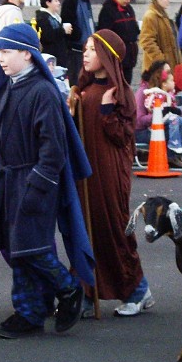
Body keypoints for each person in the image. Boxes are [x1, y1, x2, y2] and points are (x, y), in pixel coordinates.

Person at [0, 23, 94, 339]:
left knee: (32, 248)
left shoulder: (43, 92)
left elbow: (53, 150)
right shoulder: (7, 89)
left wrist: (37, 186)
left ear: (28, 55)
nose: (0, 59)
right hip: (9, 179)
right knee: (17, 250)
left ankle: (67, 289)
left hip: (32, 180)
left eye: (6, 51)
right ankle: (31, 310)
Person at [71, 30, 152, 318]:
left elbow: (122, 137)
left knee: (113, 229)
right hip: (85, 172)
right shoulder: (82, 92)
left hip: (110, 172)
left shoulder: (120, 94)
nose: (86, 54)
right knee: (84, 230)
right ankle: (83, 293)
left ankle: (137, 290)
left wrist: (107, 110)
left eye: (92, 49)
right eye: (85, 49)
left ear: (107, 55)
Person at [135, 60, 182, 168]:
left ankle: (180, 151)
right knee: (171, 129)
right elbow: (139, 121)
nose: (169, 74)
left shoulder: (164, 92)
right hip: (141, 131)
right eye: (167, 72)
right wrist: (159, 114)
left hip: (157, 126)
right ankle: (171, 156)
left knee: (179, 124)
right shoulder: (143, 92)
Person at [98, 0, 140, 83]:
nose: (128, 1)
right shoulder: (108, 10)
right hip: (117, 56)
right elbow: (104, 34)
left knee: (127, 81)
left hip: (130, 55)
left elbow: (133, 26)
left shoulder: (128, 9)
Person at [60, 0, 96, 83]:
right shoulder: (71, 0)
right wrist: (76, 36)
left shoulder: (85, 0)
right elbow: (67, 24)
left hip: (86, 46)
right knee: (77, 80)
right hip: (76, 49)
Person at [139, 0, 182, 72]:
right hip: (158, 71)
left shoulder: (163, 16)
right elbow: (147, 42)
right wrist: (162, 62)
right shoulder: (150, 16)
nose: (169, 0)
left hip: (170, 69)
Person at [35, 0, 72, 68]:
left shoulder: (55, 17)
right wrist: (63, 30)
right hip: (51, 58)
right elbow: (47, 36)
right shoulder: (43, 18)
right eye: (56, 1)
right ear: (48, 3)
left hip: (60, 56)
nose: (59, 3)